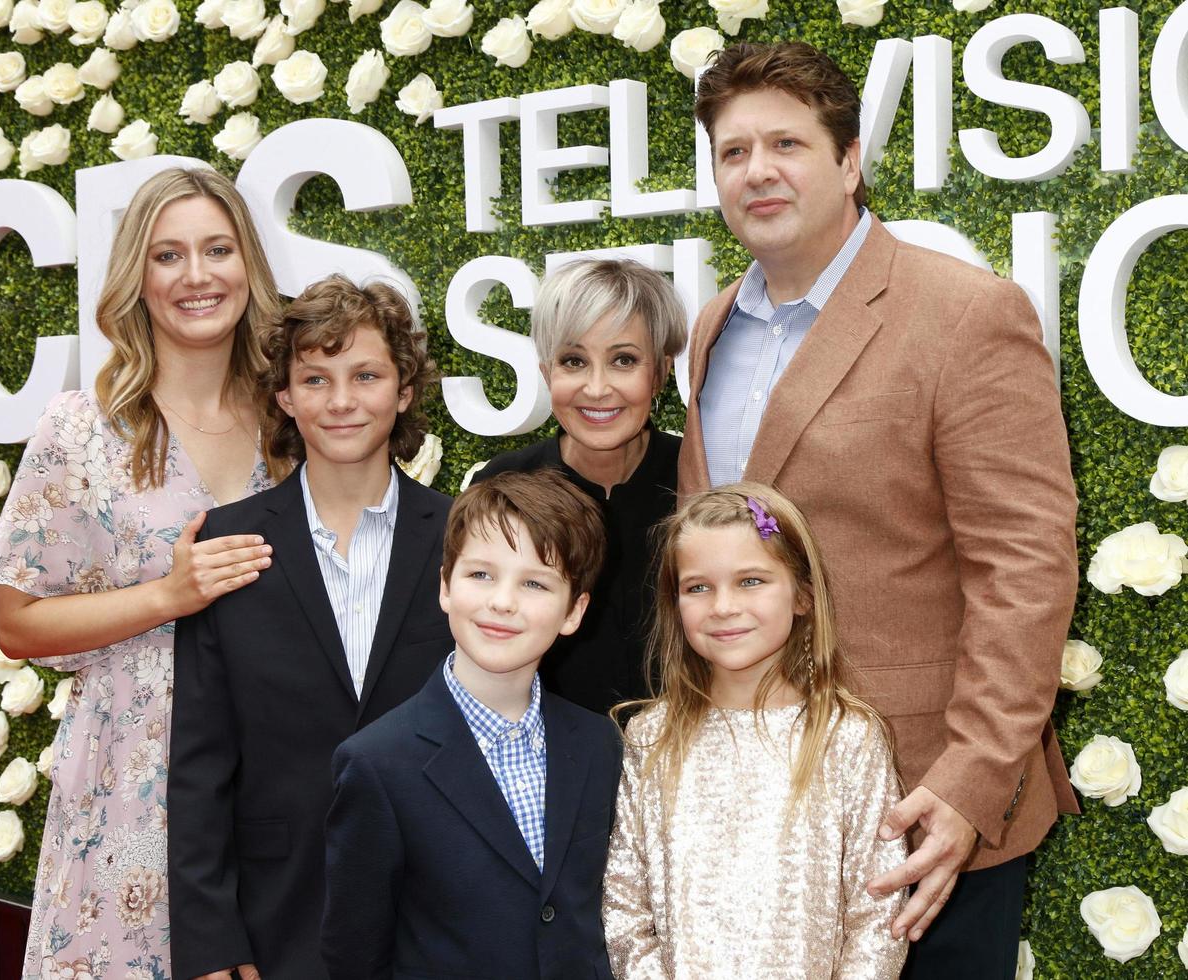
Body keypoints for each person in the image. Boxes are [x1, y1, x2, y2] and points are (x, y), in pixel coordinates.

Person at [678, 41, 1079, 976]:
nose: (757, 171)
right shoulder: (710, 329)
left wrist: (969, 781)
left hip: (922, 807)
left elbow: (1023, 566)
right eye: (733, 152)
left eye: (786, 144)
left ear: (850, 161)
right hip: (762, 795)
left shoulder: (964, 314)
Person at [0, 167, 281, 979]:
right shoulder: (83, 428)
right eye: (167, 255)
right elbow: (17, 624)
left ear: (248, 263)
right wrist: (166, 597)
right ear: (136, 280)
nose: (197, 275)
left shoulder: (294, 421)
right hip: (129, 780)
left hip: (269, 777)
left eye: (217, 249)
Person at [167, 274, 453, 980]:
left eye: (366, 375)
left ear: (404, 389)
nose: (343, 401)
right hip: (278, 916)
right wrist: (211, 941)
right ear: (286, 398)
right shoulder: (226, 547)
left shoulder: (463, 539)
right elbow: (201, 763)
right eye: (316, 379)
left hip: (439, 908)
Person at [322, 470, 622, 980]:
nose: (502, 601)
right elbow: (356, 955)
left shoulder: (600, 745)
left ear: (574, 611)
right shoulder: (378, 763)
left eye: (534, 582)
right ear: (445, 586)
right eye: (481, 574)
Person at [602, 483, 907, 979]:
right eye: (698, 586)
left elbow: (878, 911)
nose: (723, 606)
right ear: (674, 604)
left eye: (750, 581)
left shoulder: (847, 736)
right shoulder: (651, 737)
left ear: (803, 594)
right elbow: (625, 905)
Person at [474, 258, 687, 715]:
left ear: (661, 373)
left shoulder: (699, 479)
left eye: (623, 360)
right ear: (547, 372)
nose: (596, 388)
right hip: (547, 764)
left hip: (689, 759)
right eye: (574, 361)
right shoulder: (504, 485)